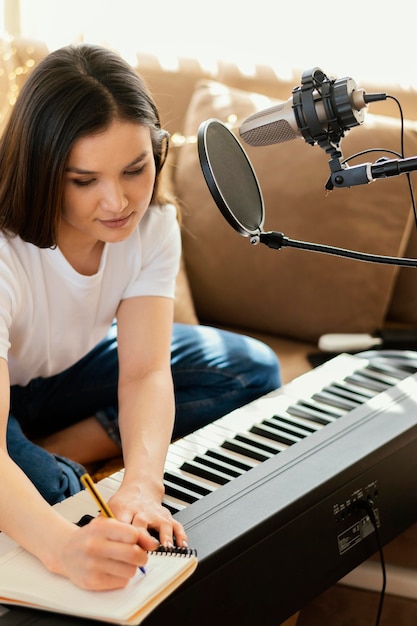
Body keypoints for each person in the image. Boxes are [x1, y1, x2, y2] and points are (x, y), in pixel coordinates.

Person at [0, 44, 280, 591]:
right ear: (42, 171)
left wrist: (142, 485)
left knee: (249, 370)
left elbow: (147, 371)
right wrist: (61, 550)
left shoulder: (152, 227)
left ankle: (46, 440)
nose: (118, 202)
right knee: (61, 499)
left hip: (60, 372)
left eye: (135, 169)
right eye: (85, 181)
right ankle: (42, 456)